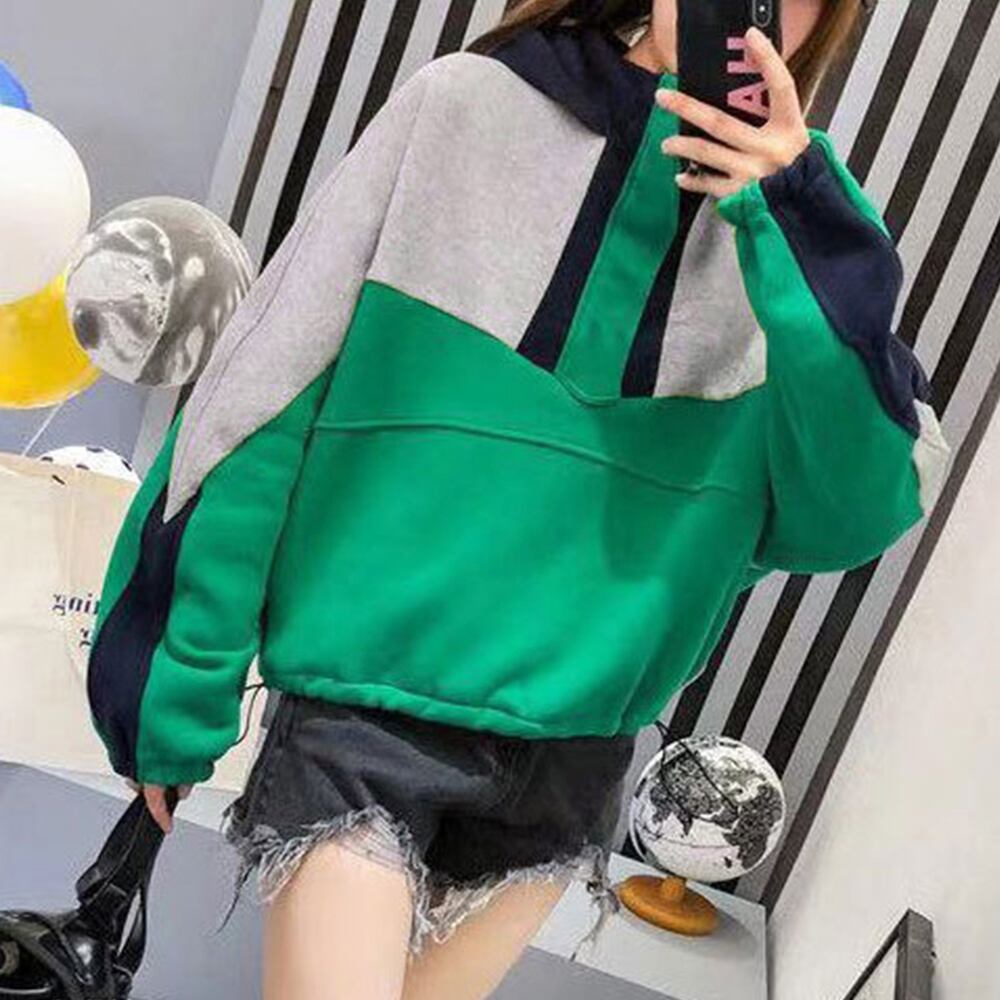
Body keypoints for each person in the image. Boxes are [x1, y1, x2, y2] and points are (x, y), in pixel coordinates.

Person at [86, 0, 951, 997]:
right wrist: (174, 679)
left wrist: (794, 218)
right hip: (368, 718)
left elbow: (853, 511)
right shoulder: (465, 107)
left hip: (574, 760)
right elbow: (260, 395)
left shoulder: (807, 242)